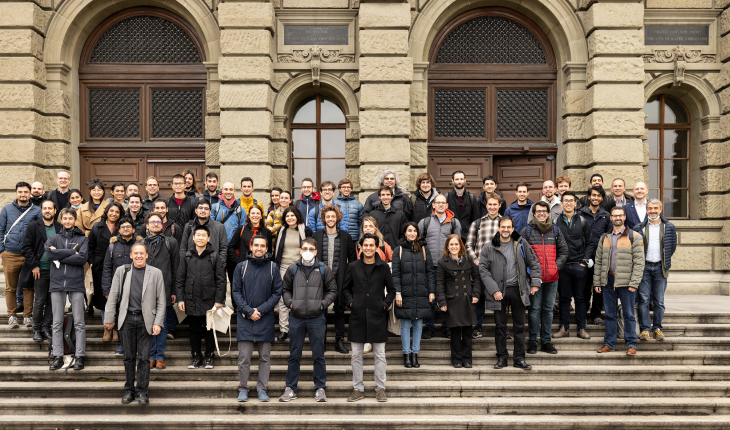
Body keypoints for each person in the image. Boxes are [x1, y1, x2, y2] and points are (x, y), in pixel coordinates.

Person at [104, 242, 166, 405]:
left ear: (146, 255)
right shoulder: (122, 271)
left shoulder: (156, 273)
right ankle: (129, 390)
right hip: (127, 320)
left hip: (147, 320)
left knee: (145, 358)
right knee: (129, 357)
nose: (139, 255)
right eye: (135, 253)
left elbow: (161, 300)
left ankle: (143, 392)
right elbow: (113, 295)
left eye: (142, 253)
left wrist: (158, 322)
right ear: (131, 255)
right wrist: (109, 318)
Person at [279, 238, 338, 403]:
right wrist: (290, 303)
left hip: (316, 318)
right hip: (296, 318)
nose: (308, 251)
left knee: (318, 355)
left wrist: (322, 305)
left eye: (311, 249)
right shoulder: (292, 269)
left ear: (316, 251)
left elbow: (332, 290)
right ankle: (290, 388)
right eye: (305, 248)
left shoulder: (323, 269)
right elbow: (285, 290)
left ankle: (320, 388)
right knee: (294, 355)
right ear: (300, 250)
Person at [479, 216, 541, 371]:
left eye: (508, 227)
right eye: (503, 227)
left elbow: (533, 262)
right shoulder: (489, 247)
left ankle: (519, 359)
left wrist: (534, 283)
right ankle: (502, 357)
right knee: (500, 326)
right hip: (498, 292)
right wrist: (494, 290)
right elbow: (483, 270)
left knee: (519, 326)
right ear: (498, 228)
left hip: (518, 290)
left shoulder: (521, 244)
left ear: (512, 229)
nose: (505, 230)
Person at [342, 233, 395, 403]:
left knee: (380, 355)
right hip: (357, 316)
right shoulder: (354, 266)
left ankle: (380, 389)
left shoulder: (384, 267)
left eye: (372, 245)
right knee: (356, 355)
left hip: (378, 316)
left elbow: (392, 290)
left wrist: (385, 304)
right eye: (365, 245)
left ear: (377, 247)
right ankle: (358, 388)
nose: (368, 248)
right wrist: (352, 303)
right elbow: (345, 289)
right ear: (361, 247)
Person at [232, 234, 282, 403]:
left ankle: (262, 389)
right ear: (251, 247)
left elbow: (277, 293)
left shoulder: (273, 268)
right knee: (244, 358)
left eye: (263, 246)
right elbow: (236, 292)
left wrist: (260, 310)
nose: (259, 248)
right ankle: (243, 389)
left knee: (264, 358)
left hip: (265, 318)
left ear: (267, 249)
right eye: (256, 245)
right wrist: (247, 311)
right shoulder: (241, 267)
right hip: (245, 319)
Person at [594, 206, 645, 355]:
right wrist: (597, 282)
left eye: (620, 215)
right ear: (611, 218)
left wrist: (634, 283)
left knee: (628, 314)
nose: (617, 218)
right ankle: (609, 343)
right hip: (608, 280)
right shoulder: (604, 238)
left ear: (624, 217)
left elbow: (639, 262)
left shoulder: (634, 237)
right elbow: (598, 262)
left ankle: (631, 345)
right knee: (610, 314)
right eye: (614, 216)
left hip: (626, 282)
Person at [521, 201, 569, 354]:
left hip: (552, 278)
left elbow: (564, 251)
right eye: (538, 211)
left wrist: (556, 266)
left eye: (544, 211)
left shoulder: (555, 230)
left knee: (548, 310)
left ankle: (546, 342)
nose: (541, 213)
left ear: (548, 213)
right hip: (534, 280)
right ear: (534, 214)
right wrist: (528, 272)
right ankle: (533, 342)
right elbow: (520, 253)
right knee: (534, 310)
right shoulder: (526, 231)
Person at [176, 225, 226, 369]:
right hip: (191, 299)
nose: (200, 238)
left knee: (209, 329)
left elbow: (221, 280)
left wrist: (219, 300)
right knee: (194, 330)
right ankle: (196, 357)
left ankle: (209, 356)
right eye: (198, 235)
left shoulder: (214, 256)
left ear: (208, 238)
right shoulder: (187, 256)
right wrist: (180, 299)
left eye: (204, 235)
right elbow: (180, 279)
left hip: (209, 300)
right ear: (193, 237)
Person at [46, 208, 88, 371]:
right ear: (61, 220)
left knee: (79, 322)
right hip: (57, 283)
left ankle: (79, 356)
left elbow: (82, 258)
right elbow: (50, 255)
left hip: (75, 282)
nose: (68, 221)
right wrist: (71, 252)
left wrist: (60, 254)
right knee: (56, 322)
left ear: (75, 220)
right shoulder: (53, 238)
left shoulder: (82, 239)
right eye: (65, 218)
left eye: (71, 218)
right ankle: (58, 355)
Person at [312, 205, 356, 354]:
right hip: (320, 279)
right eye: (327, 217)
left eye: (333, 216)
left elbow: (353, 260)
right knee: (321, 311)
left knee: (339, 311)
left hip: (340, 279)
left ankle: (339, 341)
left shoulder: (346, 236)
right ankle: (321, 343)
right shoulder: (316, 236)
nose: (330, 219)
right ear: (323, 219)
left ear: (337, 218)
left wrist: (348, 280)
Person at [418, 193, 461, 339]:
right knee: (429, 298)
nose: (441, 205)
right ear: (434, 205)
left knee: (448, 297)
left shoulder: (455, 223)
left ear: (447, 205)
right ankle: (429, 327)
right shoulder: (424, 222)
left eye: (443, 202)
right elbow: (418, 245)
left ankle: (447, 327)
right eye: (438, 202)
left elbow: (458, 245)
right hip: (429, 267)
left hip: (448, 267)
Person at [392, 222, 435, 368]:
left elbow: (429, 272)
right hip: (404, 292)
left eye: (414, 231)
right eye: (409, 231)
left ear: (418, 233)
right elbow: (395, 274)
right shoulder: (398, 250)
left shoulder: (424, 249)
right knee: (405, 324)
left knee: (418, 324)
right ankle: (406, 354)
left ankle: (415, 354)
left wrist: (431, 291)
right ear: (405, 233)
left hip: (421, 292)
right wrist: (397, 292)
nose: (412, 233)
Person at [634, 199, 677, 342]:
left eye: (655, 208)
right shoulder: (639, 227)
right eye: (650, 208)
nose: (652, 210)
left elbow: (672, 247)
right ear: (646, 210)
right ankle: (645, 329)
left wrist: (664, 260)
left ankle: (657, 328)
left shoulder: (669, 227)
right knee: (644, 300)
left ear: (660, 209)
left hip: (660, 267)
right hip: (644, 267)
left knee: (659, 301)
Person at [553, 191, 594, 339]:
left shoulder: (583, 221)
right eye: (566, 201)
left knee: (580, 298)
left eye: (571, 201)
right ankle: (564, 328)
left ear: (575, 204)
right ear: (561, 203)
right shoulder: (556, 222)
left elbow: (590, 243)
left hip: (579, 265)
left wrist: (585, 261)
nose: (569, 203)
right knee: (564, 298)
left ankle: (581, 328)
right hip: (562, 266)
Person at [1, 182, 41, 327]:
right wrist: (2, 250)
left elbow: (39, 234)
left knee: (28, 287)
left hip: (28, 255)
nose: (23, 194)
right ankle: (12, 316)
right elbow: (0, 230)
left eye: (25, 192)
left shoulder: (36, 211)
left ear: (30, 193)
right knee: (11, 287)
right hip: (10, 253)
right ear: (16, 193)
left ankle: (27, 316)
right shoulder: (6, 209)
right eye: (20, 192)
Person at [436, 234, 480, 368]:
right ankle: (456, 359)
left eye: (456, 244)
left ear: (460, 245)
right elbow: (439, 284)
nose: (454, 247)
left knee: (467, 331)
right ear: (447, 247)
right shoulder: (442, 262)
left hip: (467, 299)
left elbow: (477, 278)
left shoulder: (468, 259)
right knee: (455, 332)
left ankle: (467, 359)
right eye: (451, 245)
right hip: (452, 301)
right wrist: (442, 302)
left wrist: (476, 294)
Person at [142, 212, 179, 369]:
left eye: (158, 221)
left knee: (161, 324)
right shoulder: (141, 244)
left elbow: (176, 268)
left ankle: (159, 356)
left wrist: (175, 291)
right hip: (144, 290)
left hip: (164, 288)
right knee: (147, 324)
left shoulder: (171, 242)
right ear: (147, 225)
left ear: (163, 225)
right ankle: (150, 355)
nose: (156, 224)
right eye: (152, 222)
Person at [21, 199, 61, 341]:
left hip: (57, 271)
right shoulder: (33, 226)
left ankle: (46, 328)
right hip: (41, 270)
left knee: (52, 301)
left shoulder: (60, 227)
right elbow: (26, 247)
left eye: (50, 208)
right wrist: (34, 265)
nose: (47, 211)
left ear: (55, 211)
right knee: (39, 301)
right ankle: (36, 329)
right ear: (41, 211)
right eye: (45, 208)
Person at [272, 207, 313, 341]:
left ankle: (299, 328)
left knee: (301, 297)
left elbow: (311, 250)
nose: (290, 218)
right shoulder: (281, 231)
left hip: (301, 267)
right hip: (283, 267)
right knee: (284, 298)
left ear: (297, 216)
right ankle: (284, 329)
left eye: (292, 215)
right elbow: (277, 252)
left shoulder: (306, 231)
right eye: (287, 216)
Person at [465, 192, 501, 339]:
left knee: (499, 298)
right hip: (481, 267)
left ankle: (502, 329)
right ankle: (477, 327)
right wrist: (475, 259)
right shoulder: (477, 223)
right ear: (486, 205)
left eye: (495, 204)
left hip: (499, 267)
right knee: (478, 298)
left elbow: (515, 242)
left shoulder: (505, 222)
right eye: (490, 204)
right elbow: (468, 244)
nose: (492, 207)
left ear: (499, 205)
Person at [88, 202, 123, 344]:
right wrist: (92, 262)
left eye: (117, 212)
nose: (114, 214)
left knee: (118, 298)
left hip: (118, 267)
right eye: (111, 211)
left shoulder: (123, 227)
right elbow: (90, 247)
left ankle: (116, 329)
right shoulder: (97, 227)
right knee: (104, 299)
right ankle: (107, 328)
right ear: (106, 212)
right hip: (100, 268)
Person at [579, 186, 612, 325]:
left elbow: (609, 236)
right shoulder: (580, 214)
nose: (596, 198)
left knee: (599, 286)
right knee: (585, 287)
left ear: (602, 198)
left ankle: (596, 314)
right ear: (588, 197)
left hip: (600, 257)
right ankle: (583, 313)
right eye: (593, 195)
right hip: (584, 256)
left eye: (599, 196)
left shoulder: (606, 215)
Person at [228, 205, 272, 280]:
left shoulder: (267, 232)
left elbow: (269, 252)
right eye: (253, 213)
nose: (255, 215)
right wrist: (238, 261)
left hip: (261, 268)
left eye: (258, 213)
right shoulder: (241, 229)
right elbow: (231, 247)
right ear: (249, 216)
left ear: (261, 216)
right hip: (243, 267)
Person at [179, 199, 228, 265]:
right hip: (191, 267)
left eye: (206, 208)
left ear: (210, 212)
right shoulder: (189, 226)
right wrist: (185, 264)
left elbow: (223, 249)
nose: (203, 211)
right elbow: (183, 247)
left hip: (212, 267)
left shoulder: (219, 227)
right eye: (200, 208)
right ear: (196, 211)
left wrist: (219, 266)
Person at [445, 170, 480, 243]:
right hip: (451, 236)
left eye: (461, 179)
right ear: (452, 181)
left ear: (465, 180)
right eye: (457, 179)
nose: (459, 181)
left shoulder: (472, 198)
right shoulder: (446, 197)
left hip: (468, 237)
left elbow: (476, 220)